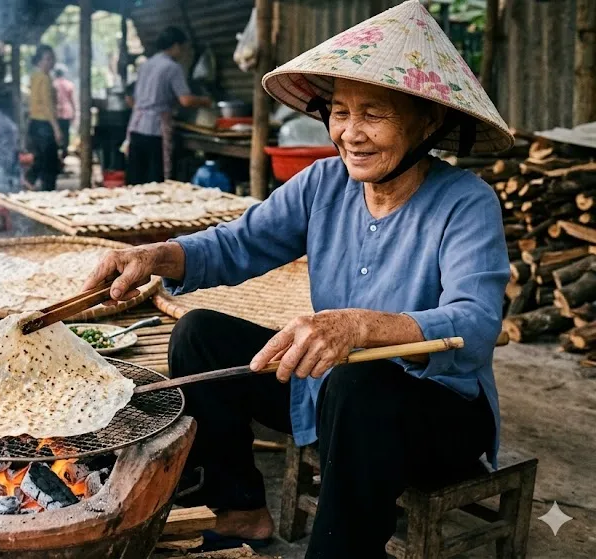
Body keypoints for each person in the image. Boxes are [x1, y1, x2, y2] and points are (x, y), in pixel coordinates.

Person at [83, 2, 512, 557]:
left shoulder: (467, 203)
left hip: (437, 415)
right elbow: (238, 244)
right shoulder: (323, 184)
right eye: (339, 111)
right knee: (199, 335)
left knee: (361, 383)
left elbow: (475, 324)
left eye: (373, 114)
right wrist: (154, 255)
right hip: (329, 389)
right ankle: (242, 511)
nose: (350, 134)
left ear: (427, 121)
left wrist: (360, 327)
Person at [125, 26, 210, 185]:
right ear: (176, 46)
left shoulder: (146, 64)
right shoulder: (172, 67)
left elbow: (132, 98)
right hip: (155, 129)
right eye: (183, 48)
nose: (184, 52)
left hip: (136, 126)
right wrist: (206, 101)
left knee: (136, 177)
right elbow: (185, 100)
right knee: (155, 179)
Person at [26, 45, 62, 191]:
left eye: (52, 58)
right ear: (39, 61)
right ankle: (48, 193)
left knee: (40, 159)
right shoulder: (44, 78)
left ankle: (30, 180)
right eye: (47, 59)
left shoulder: (34, 76)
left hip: (34, 124)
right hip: (44, 125)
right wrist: (56, 128)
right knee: (50, 163)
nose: (50, 62)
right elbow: (47, 105)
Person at [53, 64, 76, 167]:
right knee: (65, 135)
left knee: (56, 135)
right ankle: (63, 154)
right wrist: (75, 112)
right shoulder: (69, 85)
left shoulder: (53, 84)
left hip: (56, 113)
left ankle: (57, 157)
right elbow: (72, 100)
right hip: (67, 113)